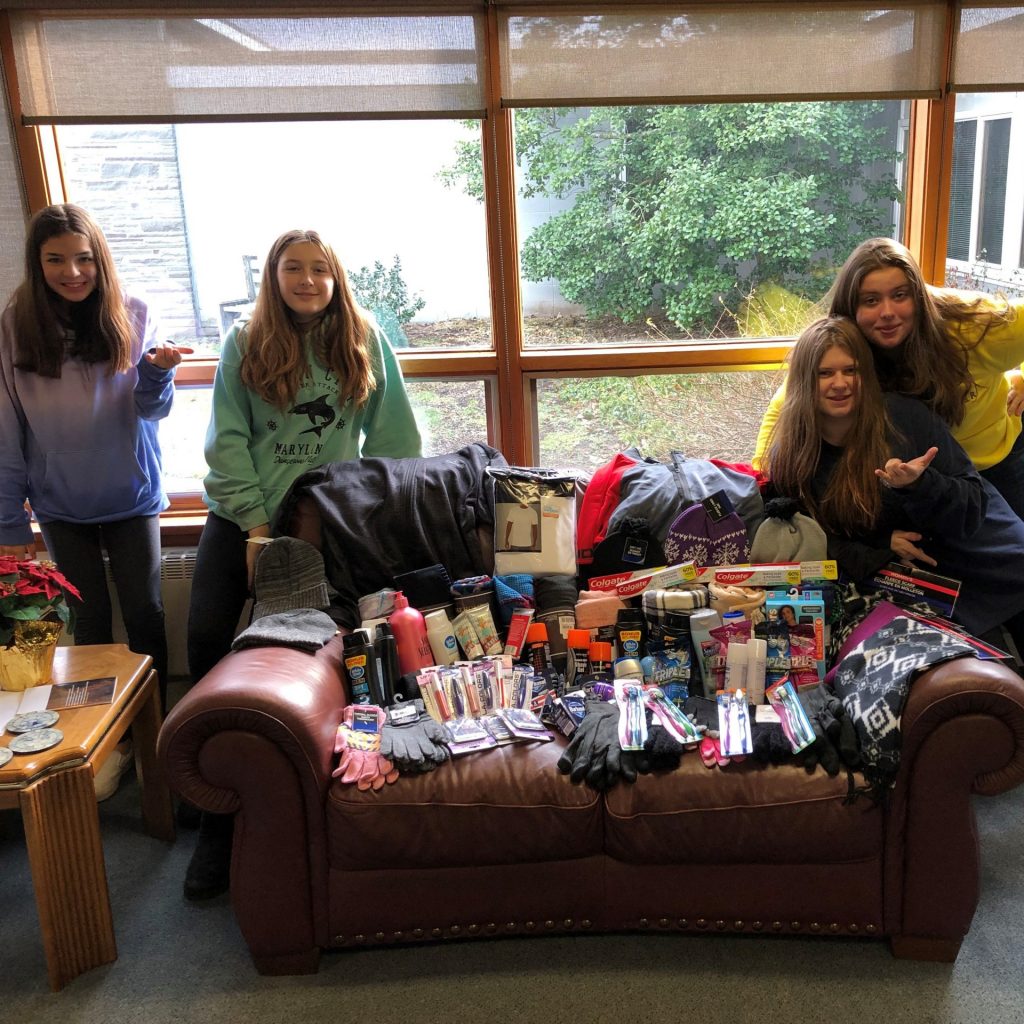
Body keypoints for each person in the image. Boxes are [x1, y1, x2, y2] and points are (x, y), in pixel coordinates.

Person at [184, 228, 422, 901]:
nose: (309, 280)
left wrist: (371, 510)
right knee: (206, 641)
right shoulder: (246, 341)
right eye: (295, 268)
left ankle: (310, 794)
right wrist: (257, 529)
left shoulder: (364, 337)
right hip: (244, 514)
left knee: (321, 652)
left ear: (336, 277)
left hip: (328, 518)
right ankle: (212, 813)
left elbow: (397, 439)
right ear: (274, 275)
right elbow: (227, 440)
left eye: (321, 269)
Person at [0, 204, 186, 800]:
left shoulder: (132, 313)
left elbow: (152, 409)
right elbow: (6, 428)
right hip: (58, 505)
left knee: (145, 615)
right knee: (88, 624)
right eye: (56, 259)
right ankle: (102, 740)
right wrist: (11, 520)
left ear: (99, 257)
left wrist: (157, 374)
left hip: (131, 497)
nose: (72, 271)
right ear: (38, 264)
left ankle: (153, 730)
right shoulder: (14, 325)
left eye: (83, 257)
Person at [760, 316, 1024, 658]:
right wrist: (880, 550)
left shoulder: (906, 419)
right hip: (916, 584)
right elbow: (809, 542)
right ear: (804, 381)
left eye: (850, 371)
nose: (839, 384)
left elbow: (972, 502)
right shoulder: (791, 453)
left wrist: (920, 484)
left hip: (982, 551)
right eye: (825, 373)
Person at [755, 238, 1024, 520]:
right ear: (851, 306)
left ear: (918, 296)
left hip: (999, 457)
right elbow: (788, 404)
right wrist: (763, 482)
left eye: (899, 296)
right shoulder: (846, 345)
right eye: (871, 300)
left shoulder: (971, 326)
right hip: (918, 479)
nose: (887, 312)